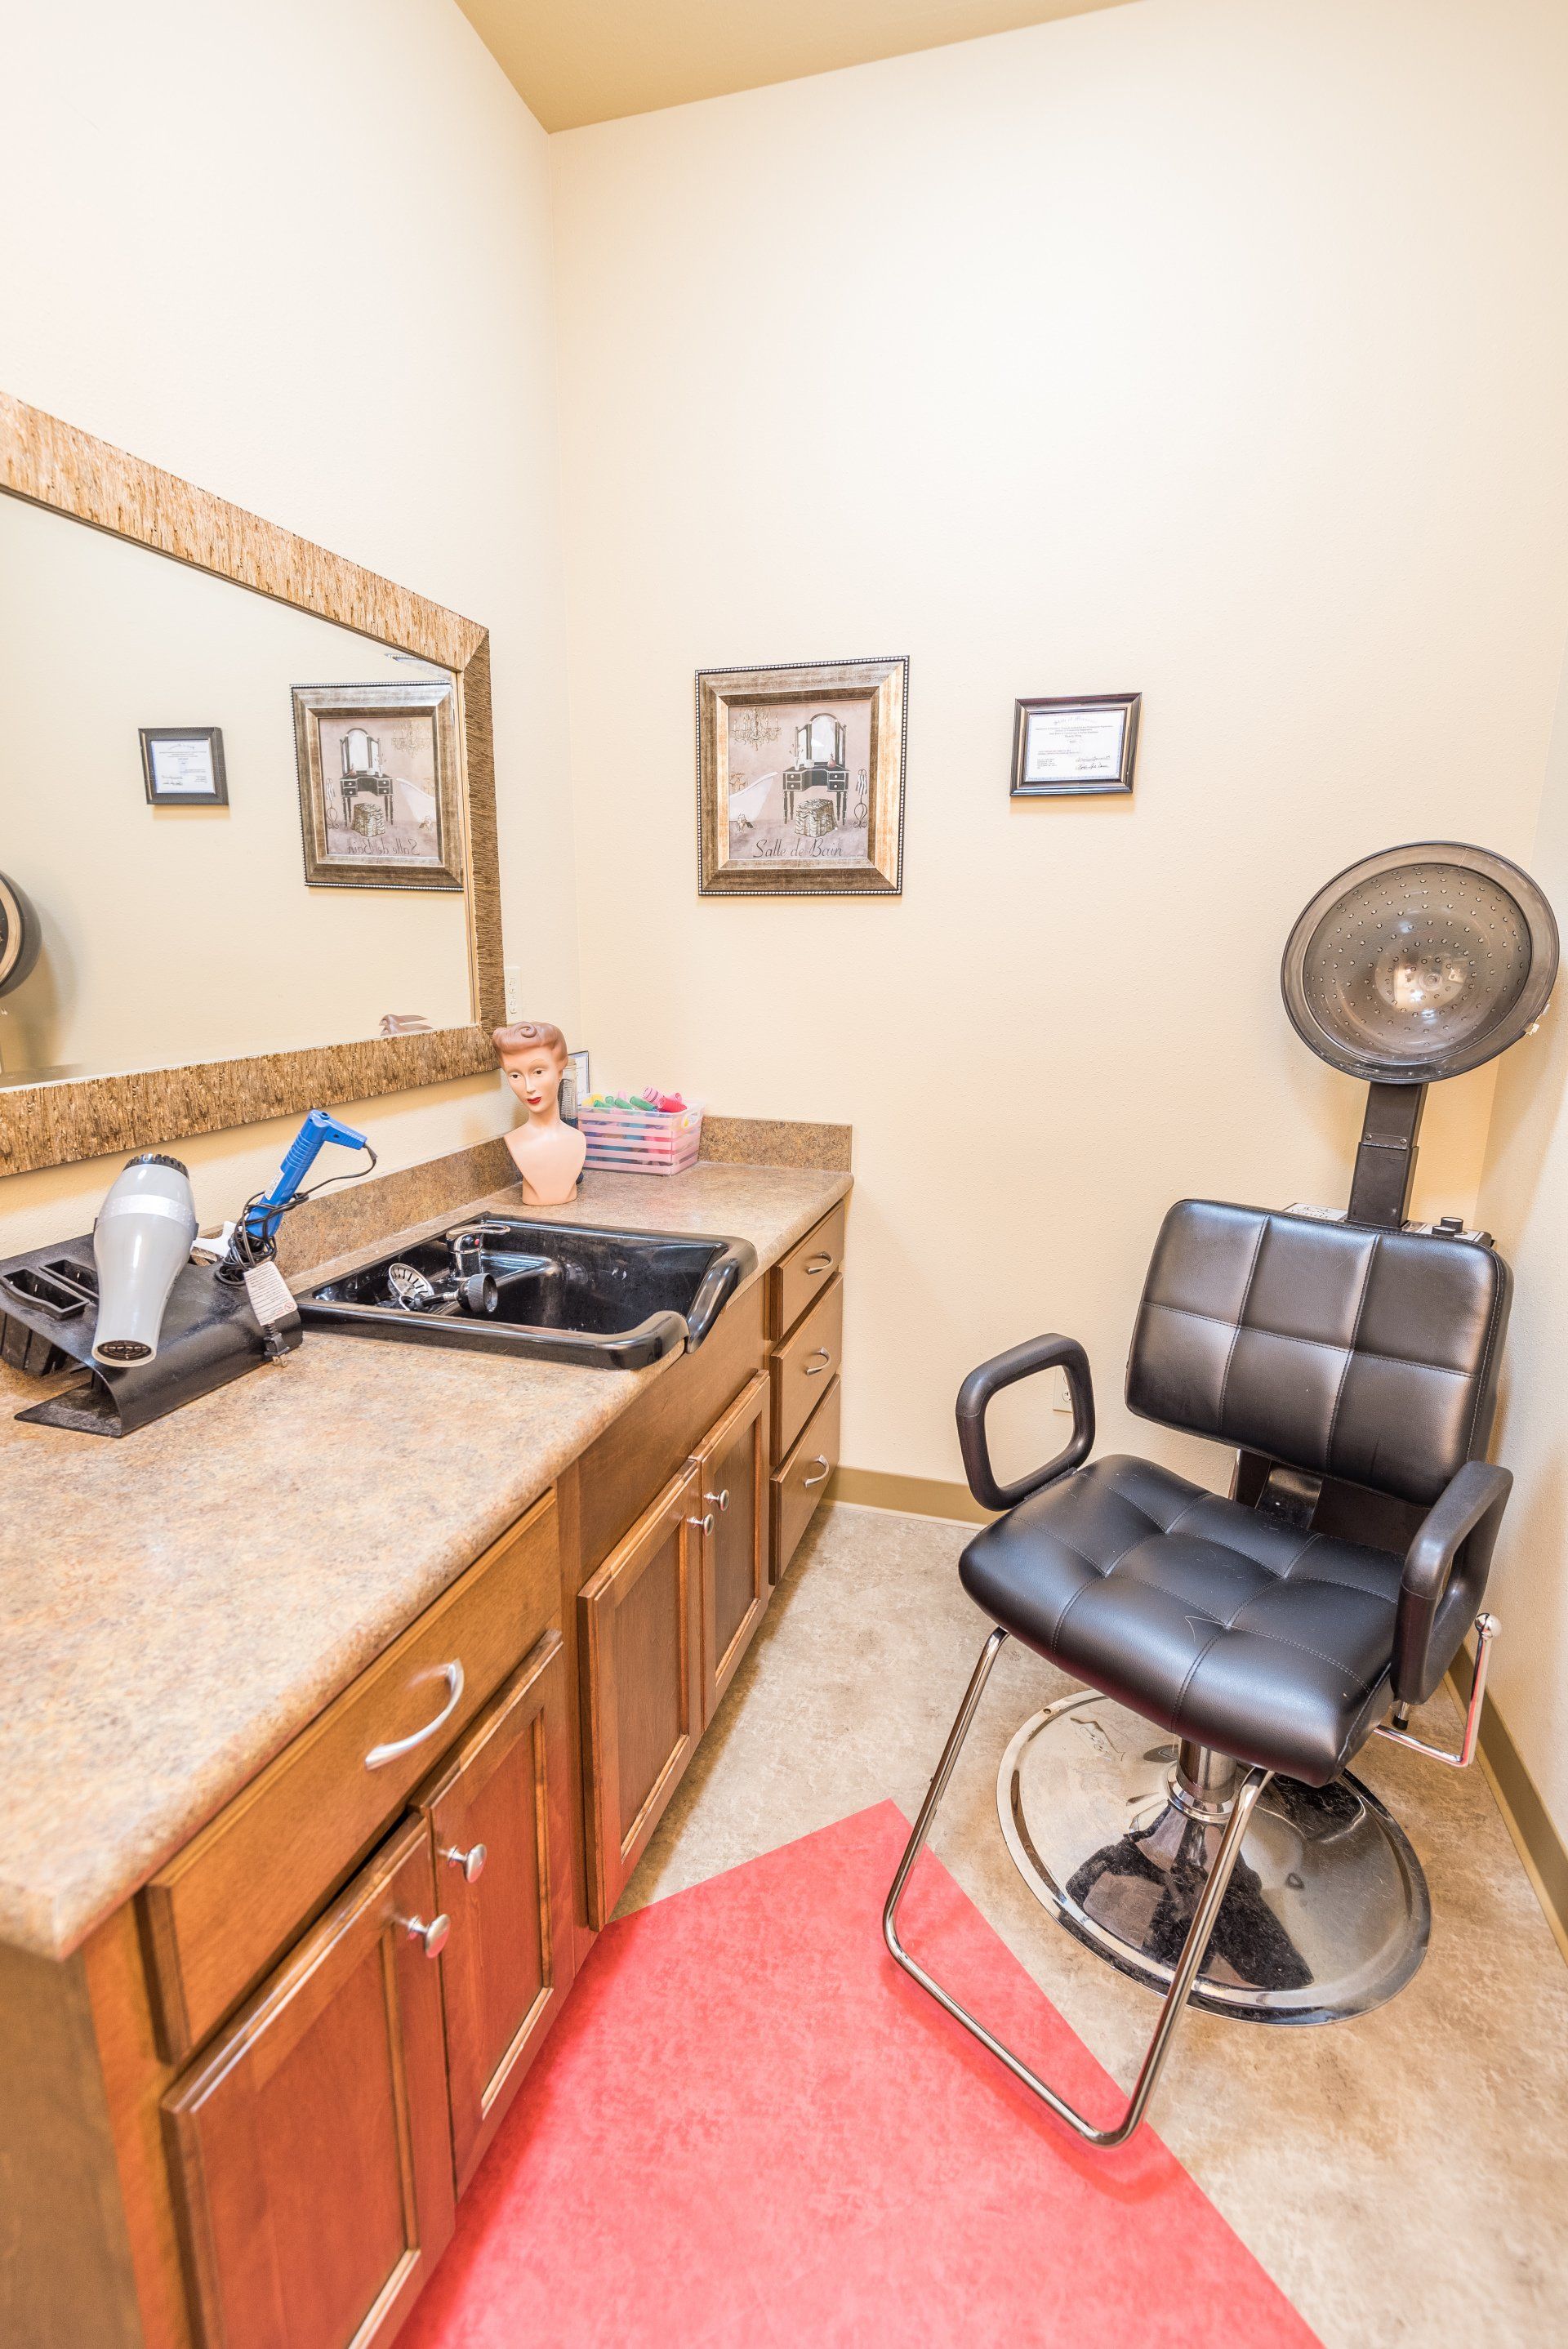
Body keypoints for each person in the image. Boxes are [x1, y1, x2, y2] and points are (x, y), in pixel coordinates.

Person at [493, 1019, 586, 1205]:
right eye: (515, 1075)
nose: (528, 1087)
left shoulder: (577, 1140)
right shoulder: (515, 1142)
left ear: (559, 1072)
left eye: (538, 1072)